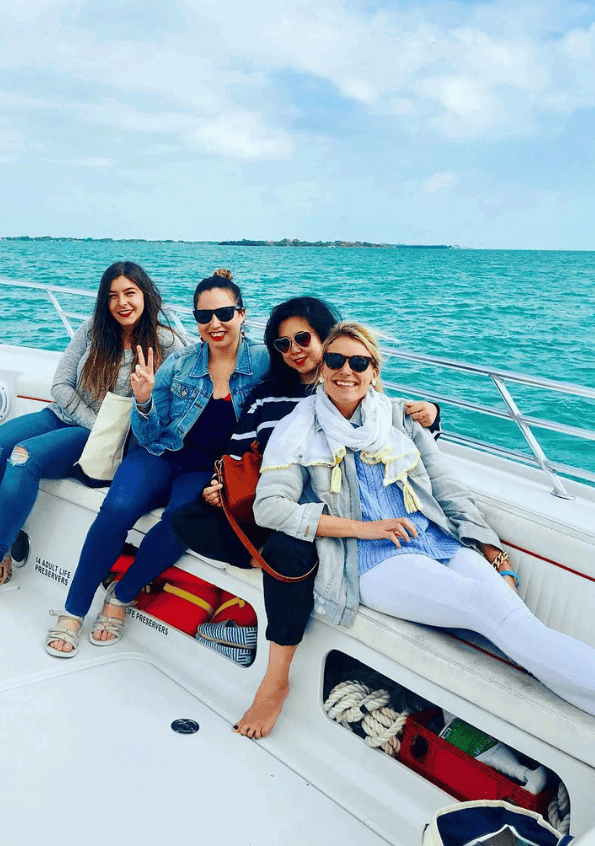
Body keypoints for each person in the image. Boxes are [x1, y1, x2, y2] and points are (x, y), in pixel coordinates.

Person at [253, 321, 595, 755]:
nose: (345, 371)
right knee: (494, 613)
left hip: (436, 542)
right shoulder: (299, 427)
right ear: (322, 367)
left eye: (359, 362)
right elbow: (270, 508)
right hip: (371, 560)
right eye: (335, 360)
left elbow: (447, 489)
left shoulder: (395, 418)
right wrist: (365, 528)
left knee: (518, 628)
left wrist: (491, 551)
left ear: (374, 371)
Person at [171, 298, 440, 739]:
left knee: (287, 553)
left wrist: (432, 416)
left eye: (304, 339)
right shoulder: (267, 394)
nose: (294, 349)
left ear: (326, 339)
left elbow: (398, 431)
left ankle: (275, 680)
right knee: (185, 520)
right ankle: (269, 563)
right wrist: (219, 487)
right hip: (270, 502)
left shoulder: (350, 386)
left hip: (323, 517)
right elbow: (236, 453)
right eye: (282, 343)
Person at [45, 268, 269, 657]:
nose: (214, 324)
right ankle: (74, 609)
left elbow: (313, 374)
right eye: (204, 316)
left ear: (242, 315)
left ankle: (123, 594)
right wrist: (145, 400)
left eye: (225, 314)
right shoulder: (180, 363)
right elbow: (149, 435)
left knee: (180, 522)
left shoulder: (265, 362)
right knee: (115, 509)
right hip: (158, 453)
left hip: (209, 472)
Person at [0, 262, 181, 613]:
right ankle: (4, 541)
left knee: (22, 456)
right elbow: (60, 385)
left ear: (145, 295)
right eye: (112, 296)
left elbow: (171, 404)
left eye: (130, 293)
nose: (122, 303)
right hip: (66, 414)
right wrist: (92, 420)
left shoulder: (167, 343)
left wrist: (102, 427)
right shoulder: (92, 330)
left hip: (101, 438)